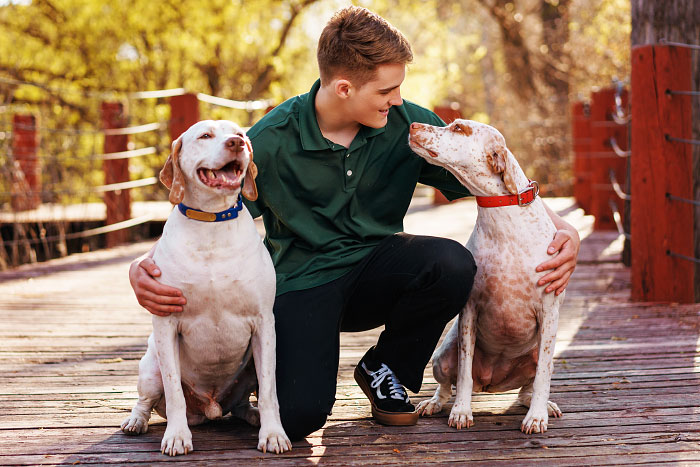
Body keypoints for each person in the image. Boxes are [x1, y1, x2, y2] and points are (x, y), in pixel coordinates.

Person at [129, 6, 580, 441]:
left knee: (452, 263)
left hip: (379, 272)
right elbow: (204, 212)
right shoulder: (269, 140)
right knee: (299, 418)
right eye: (386, 90)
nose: (397, 99)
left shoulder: (406, 123)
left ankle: (385, 368)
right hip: (302, 282)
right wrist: (143, 266)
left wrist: (563, 229)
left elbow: (495, 183)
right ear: (344, 88)